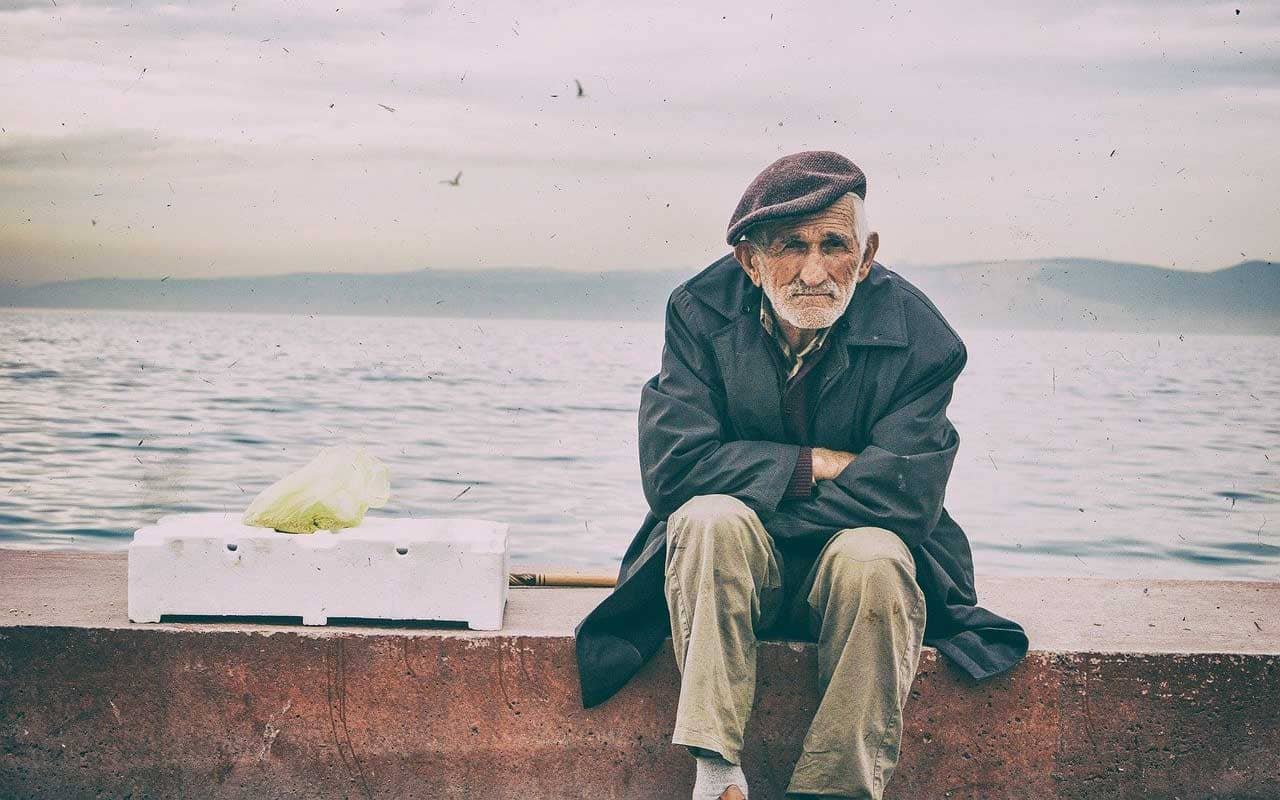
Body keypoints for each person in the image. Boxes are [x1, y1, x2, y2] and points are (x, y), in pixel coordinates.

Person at [574, 151, 1028, 799]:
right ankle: (717, 776)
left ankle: (834, 791)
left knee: (875, 556)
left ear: (866, 257)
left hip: (850, 578)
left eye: (834, 246)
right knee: (708, 520)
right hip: (732, 571)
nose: (814, 272)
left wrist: (758, 494)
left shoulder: (923, 337)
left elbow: (904, 502)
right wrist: (811, 466)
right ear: (750, 261)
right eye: (791, 246)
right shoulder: (699, 311)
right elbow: (673, 471)